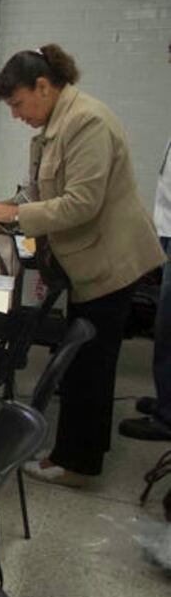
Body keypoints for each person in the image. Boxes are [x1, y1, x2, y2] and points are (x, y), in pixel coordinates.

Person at [0, 44, 165, 486]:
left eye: (18, 103)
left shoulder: (86, 122)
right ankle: (83, 449)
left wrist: (16, 215)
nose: (16, 114)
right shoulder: (58, 124)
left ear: (43, 86)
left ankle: (78, 463)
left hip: (109, 262)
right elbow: (41, 190)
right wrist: (4, 204)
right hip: (89, 260)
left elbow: (81, 203)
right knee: (85, 361)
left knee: (88, 364)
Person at [120, 135, 171, 441]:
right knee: (164, 329)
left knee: (170, 329)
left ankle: (167, 417)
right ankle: (166, 399)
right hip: (167, 230)